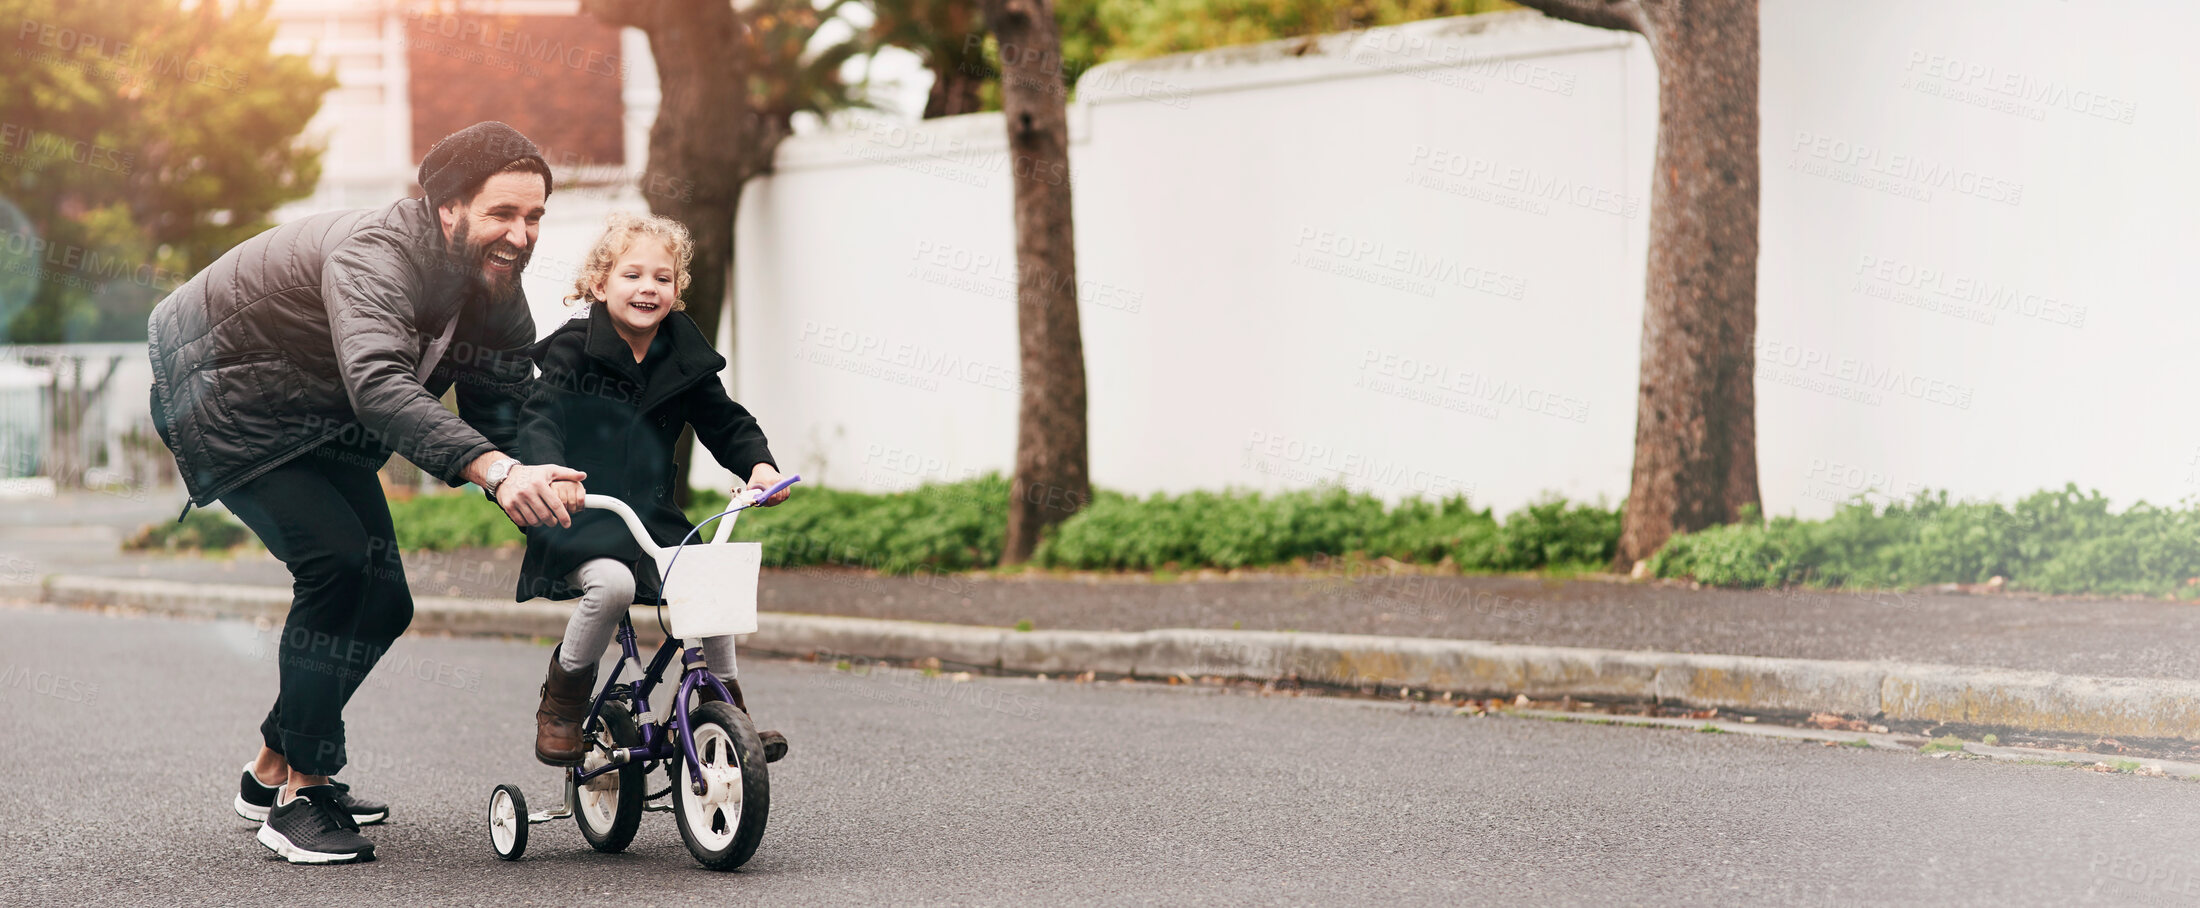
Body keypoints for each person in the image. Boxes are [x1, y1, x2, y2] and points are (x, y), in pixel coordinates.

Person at [146, 122, 587, 865]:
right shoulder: (376, 254)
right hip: (227, 402)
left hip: (324, 421)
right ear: (448, 207)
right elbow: (380, 383)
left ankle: (269, 772)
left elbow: (507, 411)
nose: (521, 234)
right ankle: (302, 797)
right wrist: (497, 473)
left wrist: (557, 485)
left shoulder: (494, 288)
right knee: (339, 565)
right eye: (502, 214)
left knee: (386, 599)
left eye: (535, 216)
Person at [513, 212, 792, 768]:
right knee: (612, 585)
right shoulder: (574, 350)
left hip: (651, 515)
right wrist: (550, 473)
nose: (648, 288)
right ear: (600, 284)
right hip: (581, 514)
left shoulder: (680, 354)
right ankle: (563, 702)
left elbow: (724, 420)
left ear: (676, 290)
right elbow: (541, 418)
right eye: (632, 275)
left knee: (709, 579)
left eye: (662, 279)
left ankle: (725, 708)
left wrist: (759, 465)